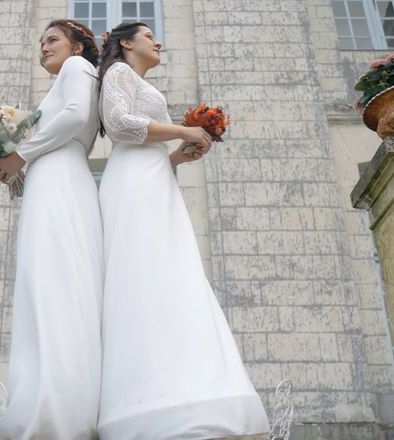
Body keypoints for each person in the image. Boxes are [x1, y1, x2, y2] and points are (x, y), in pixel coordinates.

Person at [97, 22, 270, 439]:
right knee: (147, 276)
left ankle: (174, 391)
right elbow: (118, 124)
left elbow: (144, 143)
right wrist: (183, 129)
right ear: (126, 43)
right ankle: (143, 403)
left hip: (154, 177)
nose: (158, 41)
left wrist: (176, 157)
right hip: (135, 181)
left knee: (167, 278)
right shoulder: (119, 73)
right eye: (148, 36)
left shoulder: (136, 80)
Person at [0, 19, 103, 439]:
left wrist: (21, 154)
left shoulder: (77, 70)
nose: (43, 48)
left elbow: (74, 117)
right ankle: (56, 401)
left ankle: (53, 412)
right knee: (51, 284)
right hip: (56, 178)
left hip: (60, 179)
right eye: (40, 43)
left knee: (52, 285)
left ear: (77, 47)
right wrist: (17, 169)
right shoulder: (72, 75)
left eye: (52, 40)